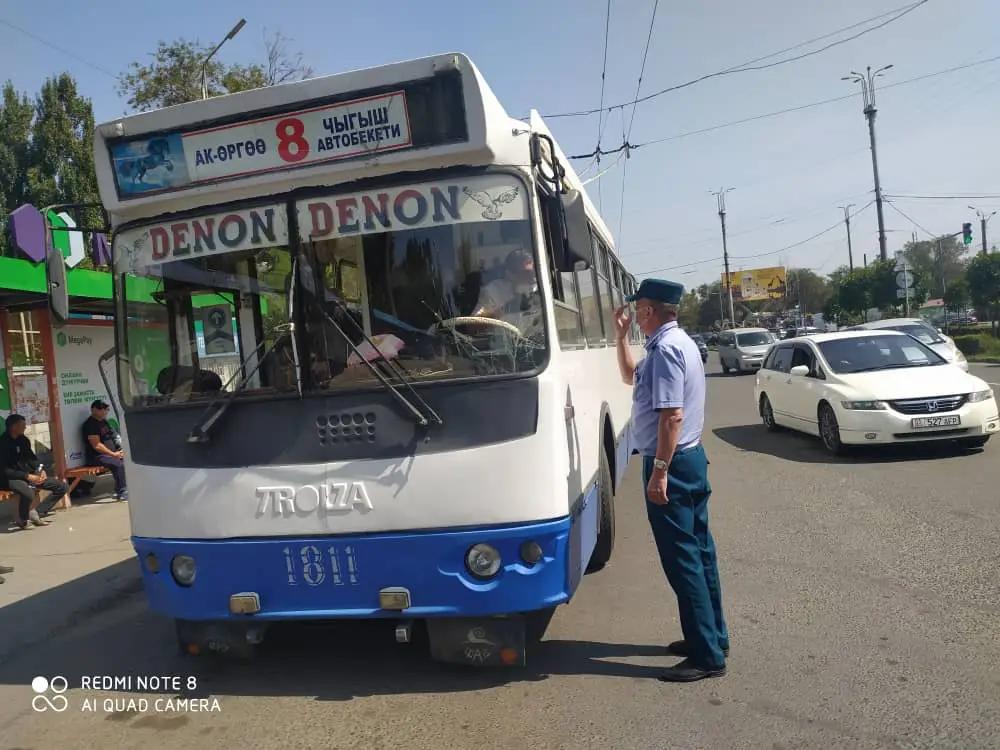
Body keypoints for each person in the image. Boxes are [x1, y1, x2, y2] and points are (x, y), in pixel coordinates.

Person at [614, 278, 729, 683]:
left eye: (639, 308)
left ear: (650, 310)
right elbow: (631, 376)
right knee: (701, 553)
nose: (636, 314)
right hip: (690, 460)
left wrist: (659, 472)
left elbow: (671, 416)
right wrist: (619, 335)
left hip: (673, 464)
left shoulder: (664, 350)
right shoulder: (678, 344)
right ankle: (712, 637)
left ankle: (706, 656)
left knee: (684, 561)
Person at [0, 414, 68, 529]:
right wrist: (27, 476)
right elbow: (5, 470)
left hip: (29, 475)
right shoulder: (3, 443)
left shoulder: (23, 440)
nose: (25, 427)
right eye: (22, 425)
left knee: (62, 487)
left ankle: (37, 512)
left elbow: (32, 459)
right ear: (13, 427)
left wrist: (40, 470)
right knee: (27, 492)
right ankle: (23, 520)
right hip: (8, 478)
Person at [472, 249, 541, 334]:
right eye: (526, 273)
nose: (532, 278)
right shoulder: (493, 291)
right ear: (510, 274)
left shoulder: (540, 290)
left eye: (534, 272)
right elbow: (472, 325)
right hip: (502, 344)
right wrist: (505, 309)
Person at [82, 400, 128, 500]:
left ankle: (125, 488)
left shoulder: (104, 421)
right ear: (93, 410)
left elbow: (114, 436)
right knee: (118, 464)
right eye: (102, 410)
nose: (105, 412)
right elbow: (97, 445)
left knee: (129, 460)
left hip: (112, 453)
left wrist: (121, 450)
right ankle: (122, 491)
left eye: (106, 409)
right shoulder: (90, 425)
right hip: (96, 456)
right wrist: (113, 454)